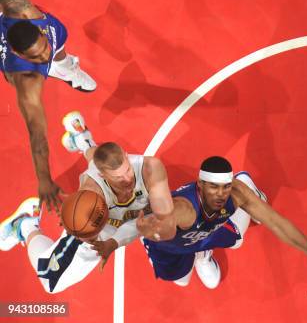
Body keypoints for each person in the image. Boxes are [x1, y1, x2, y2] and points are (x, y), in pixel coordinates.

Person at [0, 112, 175, 293]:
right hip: (103, 226)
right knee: (51, 282)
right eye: (119, 177)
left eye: (128, 170)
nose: (128, 179)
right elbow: (86, 234)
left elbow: (167, 223)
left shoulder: (150, 168)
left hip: (122, 212)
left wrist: (155, 226)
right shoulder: (91, 191)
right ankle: (25, 225)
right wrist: (79, 226)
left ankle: (83, 140)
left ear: (126, 155)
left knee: (99, 159)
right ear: (102, 176)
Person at [139, 156, 307, 289]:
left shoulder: (236, 193)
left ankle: (245, 182)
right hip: (171, 245)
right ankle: (197, 251)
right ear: (201, 184)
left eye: (226, 187)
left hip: (203, 236)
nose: (221, 195)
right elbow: (159, 215)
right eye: (214, 187)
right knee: (181, 281)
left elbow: (277, 223)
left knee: (237, 241)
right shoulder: (184, 209)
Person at [0, 0, 97, 213]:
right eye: (38, 55)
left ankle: (64, 67)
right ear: (18, 53)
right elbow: (38, 136)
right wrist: (44, 178)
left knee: (59, 45)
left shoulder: (23, 11)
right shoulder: (26, 79)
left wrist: (48, 51)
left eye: (44, 46)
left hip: (33, 30)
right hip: (21, 66)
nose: (44, 53)